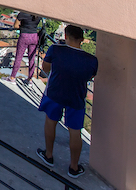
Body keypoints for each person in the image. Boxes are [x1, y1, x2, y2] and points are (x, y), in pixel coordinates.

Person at [37, 25, 98, 179]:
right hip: (76, 97)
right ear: (82, 39)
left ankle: (49, 155)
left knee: (50, 123)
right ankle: (74, 167)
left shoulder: (56, 50)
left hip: (55, 92)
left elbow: (45, 68)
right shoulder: (91, 60)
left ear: (66, 35)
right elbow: (90, 77)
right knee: (75, 132)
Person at [7, 11, 40, 84]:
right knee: (32, 58)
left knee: (19, 57)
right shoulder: (38, 15)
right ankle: (30, 79)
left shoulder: (22, 14)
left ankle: (12, 77)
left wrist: (22, 27)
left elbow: (15, 26)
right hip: (34, 36)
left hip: (24, 36)